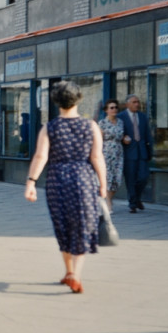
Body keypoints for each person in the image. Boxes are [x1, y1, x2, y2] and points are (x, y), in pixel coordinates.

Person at [24, 81, 107, 294]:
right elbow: (97, 157)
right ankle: (75, 274)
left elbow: (41, 156)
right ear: (79, 99)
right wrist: (103, 185)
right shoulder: (91, 126)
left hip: (57, 179)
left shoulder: (49, 127)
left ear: (56, 102)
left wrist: (31, 182)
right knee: (82, 224)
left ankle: (68, 271)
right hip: (83, 178)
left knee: (62, 225)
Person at [117, 94, 152, 213]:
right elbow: (117, 133)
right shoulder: (120, 117)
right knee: (130, 179)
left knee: (144, 177)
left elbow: (147, 134)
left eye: (138, 102)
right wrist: (123, 138)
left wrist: (149, 151)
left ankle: (136, 198)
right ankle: (132, 203)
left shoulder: (142, 117)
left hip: (142, 152)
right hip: (128, 152)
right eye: (134, 102)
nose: (137, 104)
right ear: (127, 104)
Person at [98, 99, 125, 213]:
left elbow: (121, 135)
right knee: (108, 179)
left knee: (117, 180)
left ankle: (108, 198)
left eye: (116, 107)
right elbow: (99, 140)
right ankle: (109, 203)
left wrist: (125, 138)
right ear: (106, 110)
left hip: (118, 153)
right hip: (106, 153)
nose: (114, 109)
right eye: (111, 108)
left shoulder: (120, 122)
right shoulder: (102, 123)